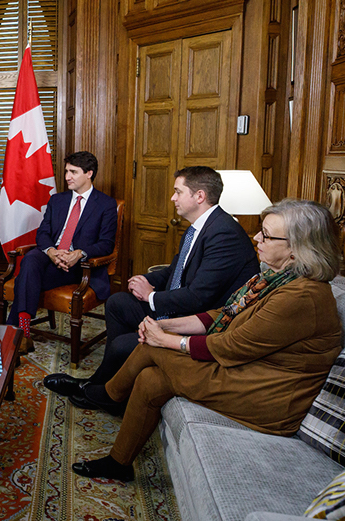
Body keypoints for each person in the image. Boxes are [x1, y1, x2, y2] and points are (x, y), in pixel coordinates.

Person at [70, 198, 343, 482]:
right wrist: (167, 324)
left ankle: (109, 394)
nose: (256, 237)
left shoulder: (302, 297)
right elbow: (224, 314)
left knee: (155, 350)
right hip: (247, 373)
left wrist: (165, 339)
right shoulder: (275, 279)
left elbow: (231, 346)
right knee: (152, 380)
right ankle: (119, 463)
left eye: (267, 234)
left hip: (267, 396)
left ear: (297, 250)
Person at [44, 166, 258, 402]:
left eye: (178, 191)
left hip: (198, 319)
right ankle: (106, 384)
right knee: (117, 303)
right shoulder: (201, 227)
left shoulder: (224, 233)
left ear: (199, 196)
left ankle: (100, 393)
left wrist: (151, 296)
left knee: (122, 345)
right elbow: (176, 270)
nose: (172, 198)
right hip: (182, 305)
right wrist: (146, 280)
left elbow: (200, 297)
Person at [6, 151, 117, 353]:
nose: (67, 177)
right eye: (66, 171)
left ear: (89, 173)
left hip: (79, 267)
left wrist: (79, 253)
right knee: (31, 260)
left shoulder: (106, 204)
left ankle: (15, 331)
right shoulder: (57, 200)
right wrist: (50, 252)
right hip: (51, 257)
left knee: (26, 277)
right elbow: (43, 233)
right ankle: (24, 332)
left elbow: (106, 244)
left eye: (73, 172)